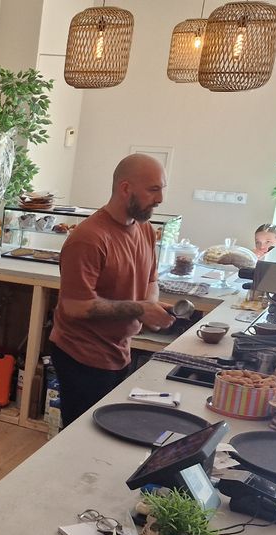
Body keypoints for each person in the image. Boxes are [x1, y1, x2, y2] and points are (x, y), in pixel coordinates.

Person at [50, 154, 175, 427]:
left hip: (120, 351)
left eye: (162, 189)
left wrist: (150, 308)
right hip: (82, 355)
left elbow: (151, 280)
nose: (160, 199)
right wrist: (141, 309)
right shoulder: (89, 238)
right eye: (153, 189)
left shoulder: (145, 230)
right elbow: (76, 306)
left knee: (108, 430)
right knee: (82, 435)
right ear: (125, 188)